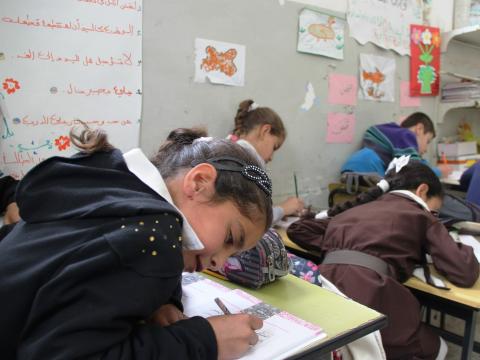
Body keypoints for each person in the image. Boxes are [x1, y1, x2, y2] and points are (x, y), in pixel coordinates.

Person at [0, 126, 274, 359]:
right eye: (230, 239)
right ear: (199, 182)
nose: (219, 262)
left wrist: (164, 300)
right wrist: (204, 341)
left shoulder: (117, 184)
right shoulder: (154, 237)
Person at [287, 158, 479, 360]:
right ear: (422, 190)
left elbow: (298, 229)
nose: (433, 214)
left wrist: (342, 246)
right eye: (434, 209)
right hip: (371, 294)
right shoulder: (420, 215)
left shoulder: (355, 210)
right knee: (438, 347)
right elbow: (463, 272)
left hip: (325, 292)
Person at [228, 99, 304, 223]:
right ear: (265, 131)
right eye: (274, 147)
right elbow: (253, 220)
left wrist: (276, 211)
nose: (271, 158)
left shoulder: (229, 152)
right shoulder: (244, 163)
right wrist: (284, 209)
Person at [341, 112, 451, 178]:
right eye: (427, 141)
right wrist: (438, 171)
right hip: (369, 173)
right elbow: (414, 172)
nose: (426, 149)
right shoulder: (406, 134)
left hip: (351, 169)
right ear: (419, 129)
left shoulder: (387, 130)